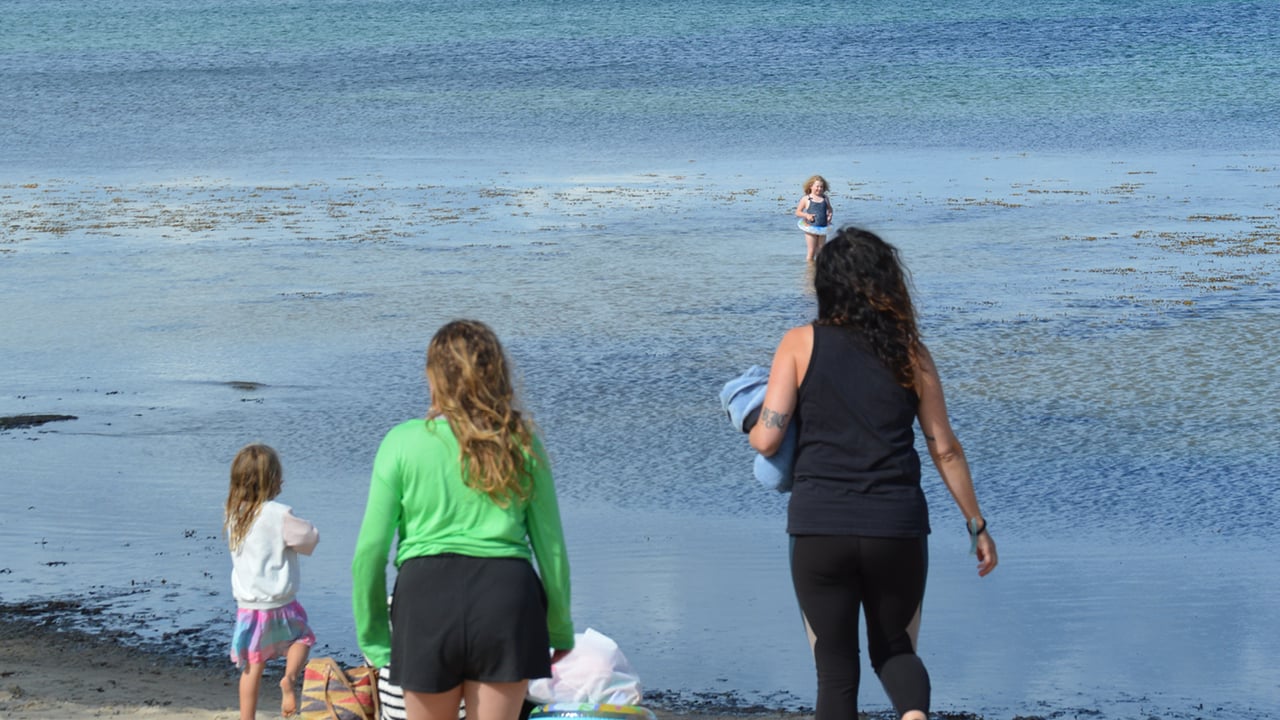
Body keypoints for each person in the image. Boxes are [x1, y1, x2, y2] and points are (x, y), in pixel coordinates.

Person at [748, 227, 998, 720]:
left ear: (827, 285)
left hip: (820, 527)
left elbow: (768, 439)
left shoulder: (799, 344)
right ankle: (914, 715)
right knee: (896, 652)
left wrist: (748, 420)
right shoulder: (911, 353)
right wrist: (977, 524)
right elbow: (944, 449)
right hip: (896, 528)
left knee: (836, 671)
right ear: (887, 283)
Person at [352, 319, 575, 720]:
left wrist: (374, 636)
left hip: (426, 597)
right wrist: (559, 626)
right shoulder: (521, 440)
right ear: (498, 375)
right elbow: (551, 547)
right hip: (505, 599)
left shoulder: (401, 442)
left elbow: (369, 552)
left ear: (432, 376)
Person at [224, 443, 320, 720]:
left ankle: (247, 717)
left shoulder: (234, 514)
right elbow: (308, 538)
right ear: (273, 480)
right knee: (302, 638)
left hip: (249, 607)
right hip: (281, 603)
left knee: (252, 667)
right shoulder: (278, 514)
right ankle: (289, 678)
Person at [795, 174, 834, 261]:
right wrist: (807, 215)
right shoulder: (806, 199)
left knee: (821, 251)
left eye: (821, 187)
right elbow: (797, 212)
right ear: (811, 186)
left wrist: (830, 216)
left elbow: (830, 209)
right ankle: (809, 271)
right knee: (811, 251)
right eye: (817, 186)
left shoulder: (825, 198)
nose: (819, 189)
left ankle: (819, 270)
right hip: (810, 228)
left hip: (823, 227)